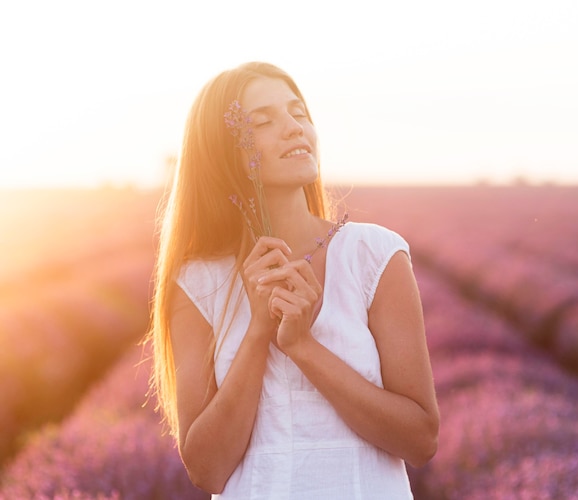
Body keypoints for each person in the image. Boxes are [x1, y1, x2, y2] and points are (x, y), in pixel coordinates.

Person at [148, 61, 439, 499]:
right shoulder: (198, 283)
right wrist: (258, 333)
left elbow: (419, 440)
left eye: (299, 114)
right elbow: (207, 469)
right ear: (223, 153)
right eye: (263, 121)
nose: (293, 128)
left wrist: (303, 346)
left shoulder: (374, 256)